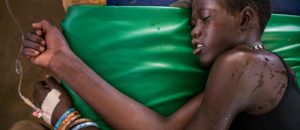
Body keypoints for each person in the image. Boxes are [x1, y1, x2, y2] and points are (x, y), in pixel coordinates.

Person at [21, 0, 300, 130]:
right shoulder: (254, 74)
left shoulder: (242, 64)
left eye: (204, 18)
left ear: (244, 19)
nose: (194, 31)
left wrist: (69, 122)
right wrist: (61, 60)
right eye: (192, 23)